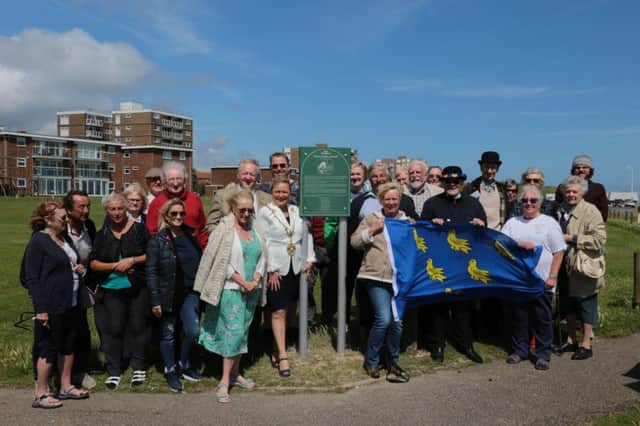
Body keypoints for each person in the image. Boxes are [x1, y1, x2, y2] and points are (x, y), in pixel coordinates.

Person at [195, 190, 267, 403]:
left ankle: (236, 374)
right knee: (233, 334)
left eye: (249, 210)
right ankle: (225, 380)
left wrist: (256, 277)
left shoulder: (256, 229)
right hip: (230, 290)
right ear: (233, 209)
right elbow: (220, 262)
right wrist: (241, 281)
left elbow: (263, 255)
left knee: (242, 333)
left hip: (251, 291)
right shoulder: (224, 230)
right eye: (241, 210)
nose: (246, 214)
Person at [24, 201, 91, 408]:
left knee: (68, 345)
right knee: (48, 347)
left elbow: (69, 262)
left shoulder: (64, 238)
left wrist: (79, 268)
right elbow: (31, 278)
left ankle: (65, 386)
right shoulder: (38, 241)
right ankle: (41, 393)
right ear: (48, 220)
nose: (66, 221)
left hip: (70, 302)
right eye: (62, 218)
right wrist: (41, 309)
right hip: (50, 304)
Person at [420, 166, 486, 364]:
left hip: (465, 264)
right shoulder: (432, 203)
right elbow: (421, 233)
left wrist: (480, 225)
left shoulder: (473, 204)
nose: (451, 185)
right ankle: (437, 345)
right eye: (448, 181)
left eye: (455, 181)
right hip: (442, 262)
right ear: (442, 183)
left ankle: (466, 344)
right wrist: (431, 223)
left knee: (463, 308)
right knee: (439, 307)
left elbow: (485, 232)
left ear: (461, 183)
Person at [501, 185, 566, 370]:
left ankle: (543, 354)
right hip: (520, 281)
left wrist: (552, 277)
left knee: (542, 319)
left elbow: (559, 252)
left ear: (540, 203)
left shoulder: (549, 223)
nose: (528, 204)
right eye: (525, 200)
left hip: (542, 281)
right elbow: (502, 246)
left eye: (533, 200)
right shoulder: (512, 223)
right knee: (520, 318)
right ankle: (520, 350)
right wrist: (517, 244)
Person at [89, 193, 150, 390]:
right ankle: (114, 369)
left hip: (136, 287)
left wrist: (132, 260)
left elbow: (151, 253)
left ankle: (139, 365)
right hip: (111, 289)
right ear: (107, 211)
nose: (117, 213)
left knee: (139, 326)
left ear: (126, 209)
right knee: (113, 329)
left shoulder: (139, 230)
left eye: (120, 208)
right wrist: (115, 265)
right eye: (112, 209)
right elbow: (94, 263)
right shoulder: (103, 234)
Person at [351, 182, 411, 383]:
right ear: (381, 201)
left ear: (399, 200)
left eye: (395, 199)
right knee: (384, 319)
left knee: (397, 324)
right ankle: (371, 360)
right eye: (388, 199)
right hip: (375, 276)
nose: (391, 202)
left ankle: (393, 362)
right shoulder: (372, 218)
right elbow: (355, 242)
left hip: (398, 279)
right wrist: (372, 231)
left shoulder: (406, 221)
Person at [257, 178, 315, 377]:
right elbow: (262, 241)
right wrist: (271, 268)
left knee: (290, 308)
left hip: (296, 266)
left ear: (290, 193)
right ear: (272, 192)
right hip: (276, 268)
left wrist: (310, 258)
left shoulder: (296, 211)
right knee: (278, 312)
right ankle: (282, 356)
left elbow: (306, 236)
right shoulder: (265, 212)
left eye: (285, 192)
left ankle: (275, 347)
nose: (281, 195)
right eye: (278, 192)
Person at [146, 199, 203, 392]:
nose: (178, 217)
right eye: (174, 214)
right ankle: (170, 370)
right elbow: (151, 271)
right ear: (166, 217)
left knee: (193, 330)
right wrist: (155, 300)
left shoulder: (190, 235)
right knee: (168, 334)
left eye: (181, 214)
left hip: (190, 293)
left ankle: (184, 364)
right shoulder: (158, 241)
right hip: (167, 295)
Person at [322, 161, 380, 326]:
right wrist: (332, 243)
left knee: (363, 284)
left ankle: (365, 320)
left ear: (364, 176)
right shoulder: (340, 194)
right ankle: (343, 320)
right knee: (343, 285)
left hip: (366, 246)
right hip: (343, 247)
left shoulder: (371, 195)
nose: (354, 177)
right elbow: (330, 222)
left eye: (358, 174)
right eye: (351, 174)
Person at [555, 176, 606, 360]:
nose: (570, 194)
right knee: (567, 302)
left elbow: (599, 240)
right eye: (567, 191)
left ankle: (586, 343)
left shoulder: (591, 211)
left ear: (582, 193)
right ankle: (570, 339)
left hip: (583, 265)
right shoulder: (561, 210)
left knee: (586, 303)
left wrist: (573, 238)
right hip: (564, 264)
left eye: (574, 191)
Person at [62, 190, 97, 390]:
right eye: (81, 207)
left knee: (82, 331)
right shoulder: (59, 229)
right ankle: (55, 373)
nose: (86, 210)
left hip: (81, 288)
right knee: (62, 332)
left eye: (88, 206)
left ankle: (79, 371)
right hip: (61, 290)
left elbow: (91, 257)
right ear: (68, 209)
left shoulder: (89, 226)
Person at [147, 161, 208, 248]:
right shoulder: (156, 203)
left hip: (194, 251)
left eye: (178, 178)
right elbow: (152, 232)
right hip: (167, 254)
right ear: (164, 181)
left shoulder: (194, 199)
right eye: (171, 179)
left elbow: (202, 228)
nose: (175, 183)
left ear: (184, 180)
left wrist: (204, 249)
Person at [206, 159, 272, 234]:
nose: (248, 177)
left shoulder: (268, 199)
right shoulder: (222, 196)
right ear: (238, 175)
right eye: (245, 173)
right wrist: (227, 237)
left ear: (257, 178)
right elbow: (211, 225)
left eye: (252, 174)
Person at [555, 155, 608, 222]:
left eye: (585, 167)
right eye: (577, 167)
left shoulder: (598, 188)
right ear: (573, 170)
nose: (581, 170)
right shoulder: (562, 187)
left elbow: (603, 214)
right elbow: (557, 209)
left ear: (590, 170)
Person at [464, 151, 507, 231]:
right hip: (476, 233)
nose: (489, 171)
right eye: (486, 167)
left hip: (497, 234)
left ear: (497, 169)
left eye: (493, 168)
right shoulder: (471, 187)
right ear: (481, 168)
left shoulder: (502, 189)